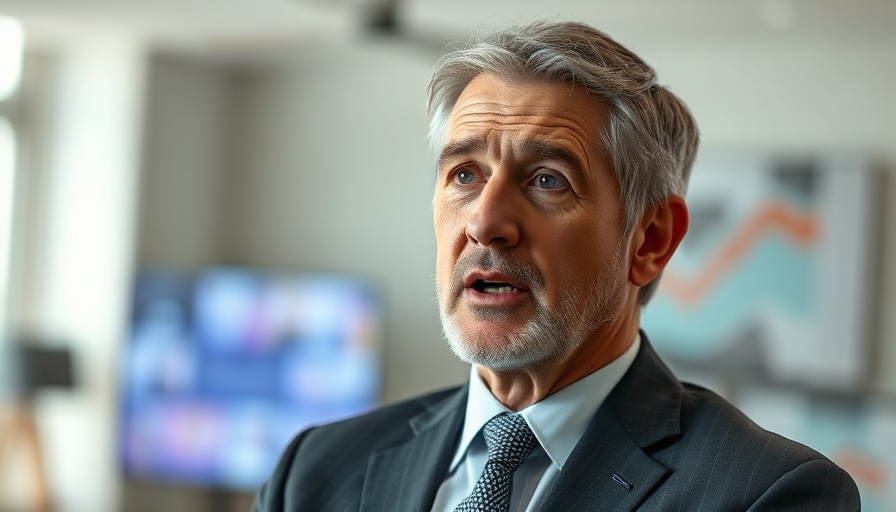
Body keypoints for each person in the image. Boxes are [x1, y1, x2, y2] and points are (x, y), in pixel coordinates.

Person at [252, 20, 860, 511]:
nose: (484, 222)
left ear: (649, 239)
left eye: (548, 180)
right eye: (464, 174)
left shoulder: (772, 494)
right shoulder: (314, 474)